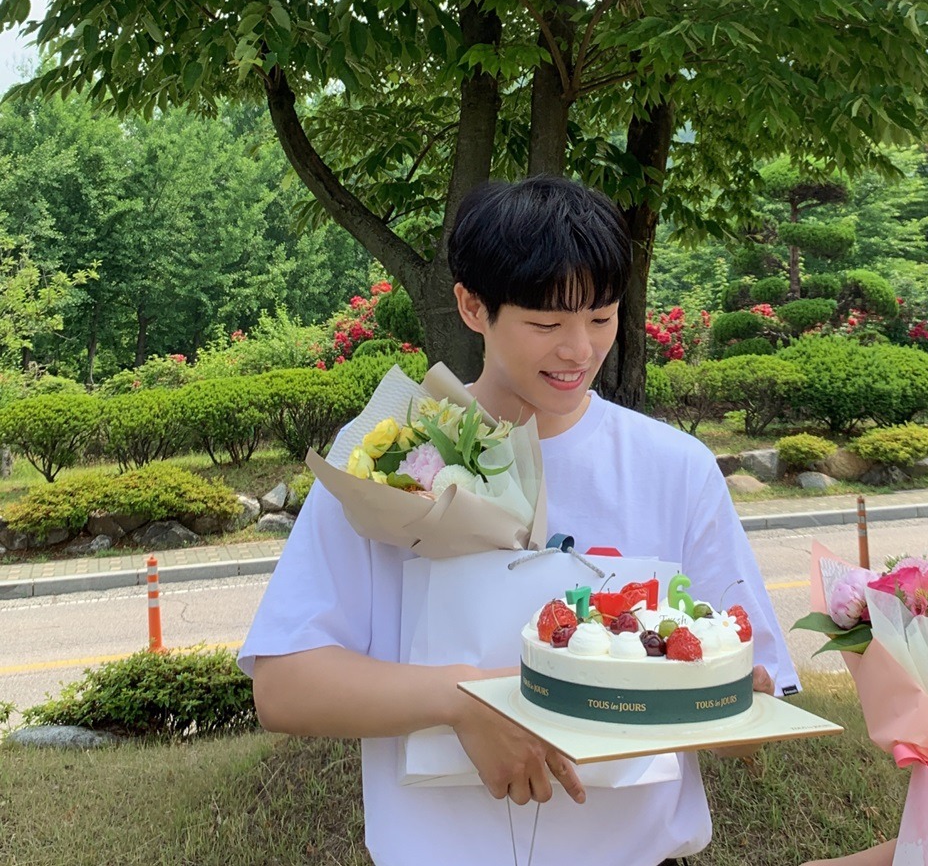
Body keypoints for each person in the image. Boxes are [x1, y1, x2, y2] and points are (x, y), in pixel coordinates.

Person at [238, 176, 801, 866]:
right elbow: (285, 686)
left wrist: (729, 700)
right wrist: (465, 701)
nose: (579, 351)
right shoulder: (385, 461)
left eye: (601, 318)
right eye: (545, 325)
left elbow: (756, 698)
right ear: (473, 306)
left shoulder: (674, 469)